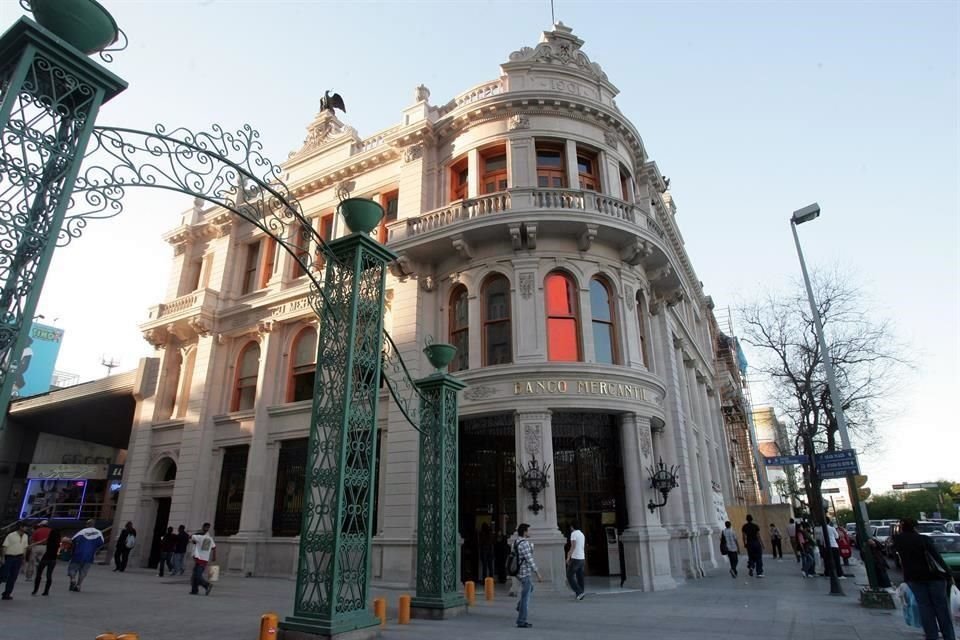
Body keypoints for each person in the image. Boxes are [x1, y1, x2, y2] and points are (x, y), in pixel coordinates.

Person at [894, 518, 955, 640]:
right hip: (934, 577)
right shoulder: (923, 539)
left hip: (913, 577)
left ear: (902, 528)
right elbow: (936, 558)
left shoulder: (898, 540)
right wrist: (949, 574)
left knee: (924, 607)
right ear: (916, 527)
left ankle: (931, 635)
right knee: (941, 607)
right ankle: (948, 636)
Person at [514, 523, 543, 628]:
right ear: (525, 532)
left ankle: (519, 606)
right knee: (526, 597)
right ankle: (521, 621)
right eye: (528, 530)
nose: (530, 532)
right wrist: (538, 573)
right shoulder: (524, 544)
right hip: (524, 572)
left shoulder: (516, 542)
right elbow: (529, 560)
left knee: (530, 588)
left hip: (519, 572)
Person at [68, 520, 104, 592]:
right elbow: (101, 543)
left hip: (78, 554)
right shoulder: (99, 533)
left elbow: (72, 540)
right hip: (89, 555)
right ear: (94, 524)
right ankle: (78, 585)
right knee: (83, 571)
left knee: (72, 568)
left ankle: (73, 579)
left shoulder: (82, 531)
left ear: (87, 524)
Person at [0, 522, 29, 599]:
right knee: (3, 575)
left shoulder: (25, 536)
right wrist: (2, 557)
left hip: (19, 557)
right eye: (25, 527)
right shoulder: (11, 535)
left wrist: (24, 559)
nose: (26, 528)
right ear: (20, 527)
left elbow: (25, 547)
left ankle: (7, 593)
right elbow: (4, 546)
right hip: (9, 557)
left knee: (13, 576)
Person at [32, 527, 61, 596]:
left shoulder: (49, 539)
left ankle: (35, 590)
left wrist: (31, 545)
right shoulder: (58, 542)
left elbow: (41, 542)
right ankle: (46, 591)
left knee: (39, 574)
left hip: (45, 558)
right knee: (49, 575)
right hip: (53, 559)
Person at [189, 523, 216, 595]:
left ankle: (207, 585)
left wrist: (197, 534)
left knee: (197, 576)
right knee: (195, 575)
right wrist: (214, 557)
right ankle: (194, 590)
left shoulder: (200, 536)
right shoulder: (209, 537)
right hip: (201, 559)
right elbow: (214, 547)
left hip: (201, 560)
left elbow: (191, 536)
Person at [565, 520, 585, 600]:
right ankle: (581, 593)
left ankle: (579, 592)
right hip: (582, 557)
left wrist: (568, 556)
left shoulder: (573, 534)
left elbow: (573, 546)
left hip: (576, 558)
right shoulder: (581, 534)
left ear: (572, 527)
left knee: (569, 575)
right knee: (580, 576)